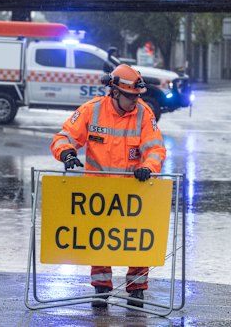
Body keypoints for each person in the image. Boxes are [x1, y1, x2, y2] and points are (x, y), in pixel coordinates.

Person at [50, 64, 167, 308]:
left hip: (133, 191)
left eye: (137, 97)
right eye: (130, 97)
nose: (134, 101)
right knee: (99, 240)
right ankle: (101, 288)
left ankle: (136, 290)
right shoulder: (91, 111)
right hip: (98, 193)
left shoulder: (144, 114)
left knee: (136, 241)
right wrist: (67, 154)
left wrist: (149, 168)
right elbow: (63, 137)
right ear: (114, 92)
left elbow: (155, 149)